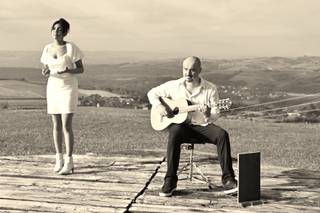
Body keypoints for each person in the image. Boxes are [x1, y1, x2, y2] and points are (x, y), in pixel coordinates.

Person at [147, 56, 237, 197]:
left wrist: (208, 114)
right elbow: (152, 93)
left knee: (222, 135)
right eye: (185, 69)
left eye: (192, 70)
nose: (188, 74)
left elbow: (215, 113)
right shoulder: (174, 85)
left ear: (200, 70)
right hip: (181, 127)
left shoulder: (210, 89)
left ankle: (228, 180)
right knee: (175, 131)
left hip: (202, 126)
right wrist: (159, 106)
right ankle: (170, 181)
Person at [40, 18, 84, 175]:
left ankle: (69, 161)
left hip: (68, 87)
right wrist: (45, 71)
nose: (56, 32)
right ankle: (58, 159)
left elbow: (81, 69)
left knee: (66, 125)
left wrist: (68, 71)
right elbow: (45, 68)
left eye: (59, 29)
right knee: (55, 125)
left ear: (65, 32)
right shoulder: (46, 48)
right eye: (54, 29)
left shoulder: (71, 48)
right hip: (53, 86)